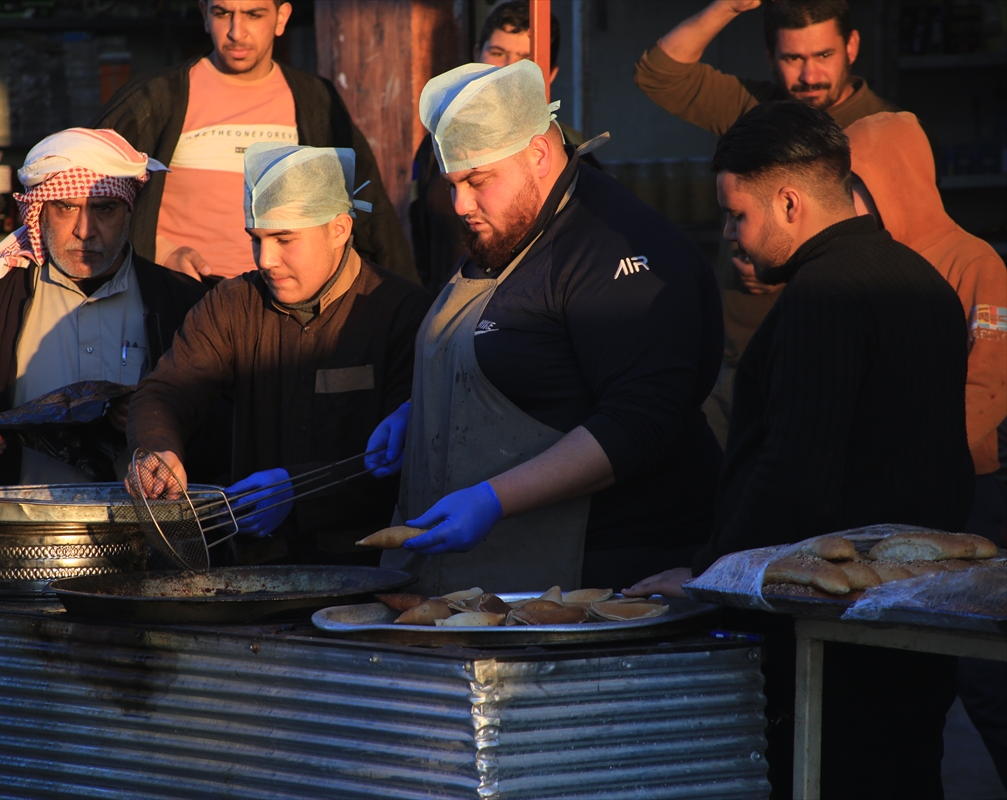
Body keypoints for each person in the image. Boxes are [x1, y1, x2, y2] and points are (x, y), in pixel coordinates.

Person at [626, 101, 974, 800]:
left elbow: (794, 479)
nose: (729, 235)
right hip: (917, 627)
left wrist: (708, 577)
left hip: (834, 643)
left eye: (738, 216)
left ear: (789, 201)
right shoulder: (923, 280)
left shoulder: (825, 296)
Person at [364, 60, 724, 595]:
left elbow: (642, 420)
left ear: (537, 152)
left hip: (602, 575)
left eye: (477, 180)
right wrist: (423, 408)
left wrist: (493, 498)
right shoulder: (507, 226)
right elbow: (526, 359)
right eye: (451, 183)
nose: (461, 205)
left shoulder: (612, 244)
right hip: (489, 581)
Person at [128, 143, 430, 566]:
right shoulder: (232, 304)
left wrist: (296, 490)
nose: (266, 260)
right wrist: (158, 449)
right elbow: (165, 391)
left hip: (370, 569)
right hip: (252, 570)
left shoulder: (402, 312)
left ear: (339, 229)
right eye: (256, 239)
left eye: (285, 239)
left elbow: (411, 456)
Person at [634, 0, 897, 446]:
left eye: (823, 56)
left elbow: (893, 250)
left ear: (851, 46)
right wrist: (727, 7)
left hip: (823, 366)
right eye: (793, 58)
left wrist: (781, 266)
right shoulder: (759, 112)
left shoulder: (886, 131)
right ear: (770, 56)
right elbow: (660, 74)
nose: (809, 76)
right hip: (735, 362)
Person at [846, 110, 1007, 793]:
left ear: (894, 181)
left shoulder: (975, 262)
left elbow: (990, 385)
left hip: (970, 499)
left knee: (985, 680)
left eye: (856, 182)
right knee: (903, 689)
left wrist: (917, 461)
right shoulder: (865, 265)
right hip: (890, 508)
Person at [0, 128, 206, 488]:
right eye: (66, 207)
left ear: (129, 212)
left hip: (143, 535)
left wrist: (158, 421)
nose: (85, 230)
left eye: (104, 209)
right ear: (40, 213)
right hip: (21, 535)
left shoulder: (180, 302)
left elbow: (226, 422)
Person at [91, 0, 416, 286]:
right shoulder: (156, 97)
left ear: (281, 17)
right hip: (179, 299)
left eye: (254, 14)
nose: (236, 31)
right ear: (205, 13)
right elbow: (88, 194)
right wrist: (161, 252)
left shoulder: (315, 100)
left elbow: (368, 208)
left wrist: (404, 305)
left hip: (284, 307)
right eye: (223, 13)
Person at [409, 0, 601, 295]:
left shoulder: (570, 152)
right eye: (497, 53)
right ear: (476, 55)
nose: (506, 70)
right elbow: (420, 232)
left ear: (549, 74)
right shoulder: (437, 145)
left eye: (524, 60)